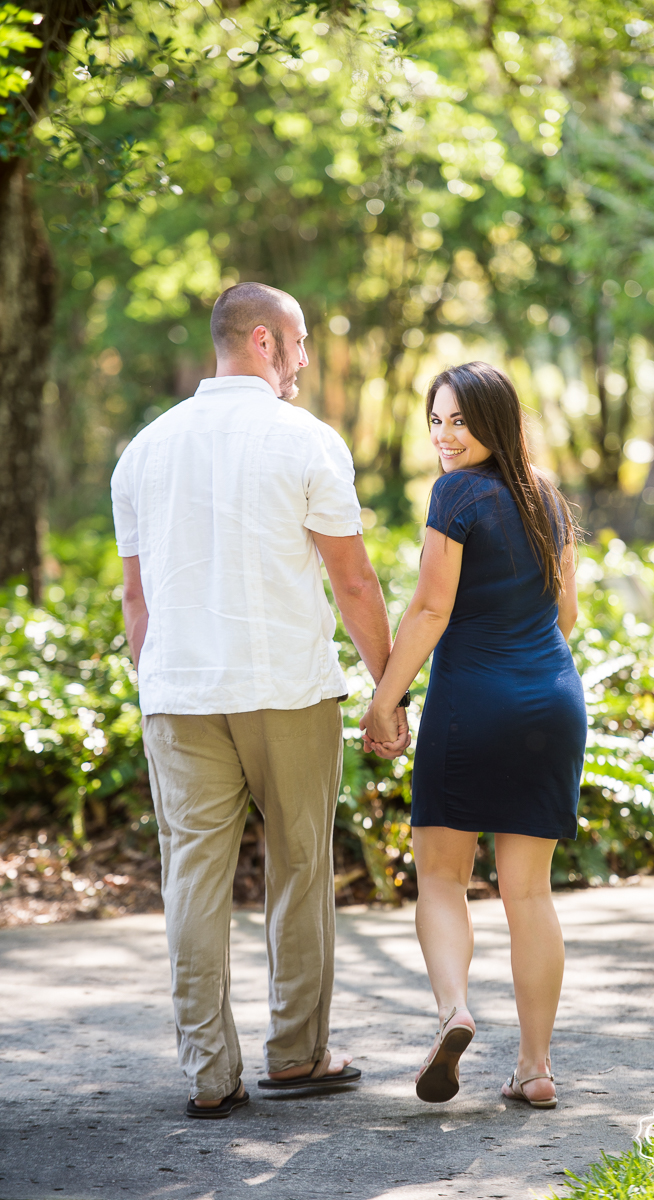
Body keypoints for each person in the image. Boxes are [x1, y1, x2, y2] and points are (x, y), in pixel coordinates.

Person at [111, 282, 409, 1118]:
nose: (307, 360)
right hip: (286, 688)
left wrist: (155, 685)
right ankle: (296, 1053)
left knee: (192, 879)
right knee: (301, 866)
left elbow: (135, 601)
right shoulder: (304, 441)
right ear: (263, 342)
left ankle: (210, 1074)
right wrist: (389, 690)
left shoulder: (144, 449)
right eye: (301, 342)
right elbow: (351, 580)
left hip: (178, 695)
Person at [361, 361, 585, 1109]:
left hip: (471, 702)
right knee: (528, 893)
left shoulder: (455, 493)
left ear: (494, 422)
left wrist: (382, 701)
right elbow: (565, 616)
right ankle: (535, 1067)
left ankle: (454, 1010)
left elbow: (429, 609)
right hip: (551, 702)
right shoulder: (544, 498)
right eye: (436, 420)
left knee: (440, 876)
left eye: (459, 420)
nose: (445, 436)